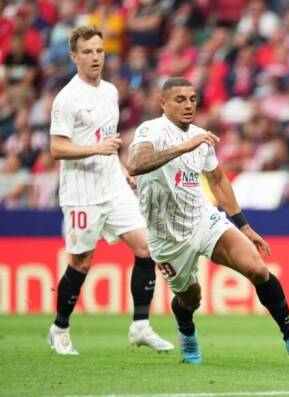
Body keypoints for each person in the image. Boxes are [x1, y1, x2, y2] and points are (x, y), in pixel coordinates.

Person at [126, 77, 289, 364]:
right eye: (180, 99)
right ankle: (187, 333)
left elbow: (217, 181)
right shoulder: (150, 130)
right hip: (166, 236)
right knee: (191, 299)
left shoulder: (202, 137)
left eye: (192, 98)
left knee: (257, 268)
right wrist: (183, 147)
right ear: (163, 103)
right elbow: (136, 164)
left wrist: (244, 225)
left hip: (203, 219)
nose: (189, 104)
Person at [47, 25, 173, 355]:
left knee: (147, 248)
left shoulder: (110, 92)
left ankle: (141, 326)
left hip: (112, 185)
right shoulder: (67, 99)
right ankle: (59, 328)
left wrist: (120, 168)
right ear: (74, 57)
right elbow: (57, 148)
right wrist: (97, 150)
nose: (95, 57)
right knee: (81, 262)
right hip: (81, 193)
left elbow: (108, 142)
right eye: (87, 52)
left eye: (99, 50)